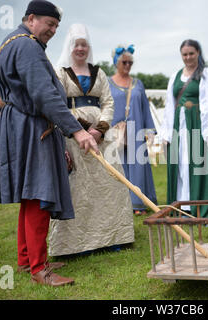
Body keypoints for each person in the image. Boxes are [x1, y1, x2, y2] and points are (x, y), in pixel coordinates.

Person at [0, 0, 99, 287]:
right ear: (30, 19)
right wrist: (77, 131)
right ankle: (40, 268)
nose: (52, 30)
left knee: (31, 195)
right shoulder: (27, 46)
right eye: (48, 24)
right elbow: (44, 95)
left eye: (56, 26)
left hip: (22, 124)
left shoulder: (10, 42)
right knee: (40, 193)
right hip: (31, 127)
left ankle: (28, 258)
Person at [48, 23, 134, 257]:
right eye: (77, 44)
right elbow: (58, 105)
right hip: (73, 136)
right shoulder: (61, 72)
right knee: (79, 188)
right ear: (70, 46)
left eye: (84, 44)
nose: (81, 49)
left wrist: (100, 129)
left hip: (102, 137)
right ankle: (75, 244)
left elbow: (108, 102)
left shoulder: (100, 73)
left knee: (109, 184)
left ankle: (114, 236)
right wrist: (81, 129)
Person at [160, 39, 208, 218]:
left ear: (198, 53)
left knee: (199, 163)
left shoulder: (206, 73)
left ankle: (202, 205)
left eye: (191, 53)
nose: (188, 57)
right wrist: (166, 132)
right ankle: (183, 204)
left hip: (197, 123)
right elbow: (168, 105)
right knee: (182, 163)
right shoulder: (175, 76)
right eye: (184, 54)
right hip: (178, 125)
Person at [108, 44, 157, 215]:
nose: (127, 66)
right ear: (116, 63)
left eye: (130, 63)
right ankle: (119, 204)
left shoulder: (138, 84)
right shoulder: (107, 83)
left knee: (138, 166)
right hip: (116, 132)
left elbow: (145, 108)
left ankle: (138, 203)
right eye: (124, 62)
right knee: (118, 166)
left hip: (136, 131)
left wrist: (149, 130)